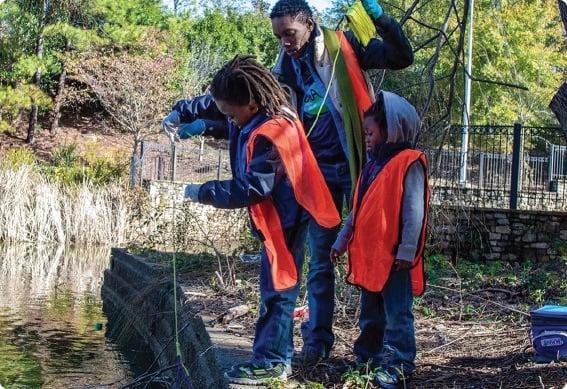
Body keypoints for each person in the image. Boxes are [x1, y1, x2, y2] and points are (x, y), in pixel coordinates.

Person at [162, 55, 340, 385]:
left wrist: (202, 191)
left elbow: (254, 187)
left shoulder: (273, 132)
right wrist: (188, 114)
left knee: (279, 290)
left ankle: (272, 362)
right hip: (276, 216)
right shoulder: (254, 113)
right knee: (275, 289)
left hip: (285, 218)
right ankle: (273, 356)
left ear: (252, 103)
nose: (229, 119)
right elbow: (218, 109)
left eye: (232, 114)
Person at [268, 0, 414, 364]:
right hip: (316, 175)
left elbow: (401, 57)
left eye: (290, 33)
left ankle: (370, 349)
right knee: (319, 262)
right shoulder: (283, 67)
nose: (285, 41)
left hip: (360, 166)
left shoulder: (344, 44)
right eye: (279, 36)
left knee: (371, 253)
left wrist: (380, 19)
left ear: (309, 23)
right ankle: (316, 345)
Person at [330, 91, 429, 389]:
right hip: (371, 257)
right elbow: (357, 210)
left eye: (371, 132)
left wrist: (407, 250)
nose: (368, 138)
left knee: (398, 314)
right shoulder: (372, 165)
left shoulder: (409, 162)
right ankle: (367, 358)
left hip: (395, 258)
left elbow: (415, 210)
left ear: (392, 129)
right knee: (370, 312)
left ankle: (400, 365)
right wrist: (341, 240)